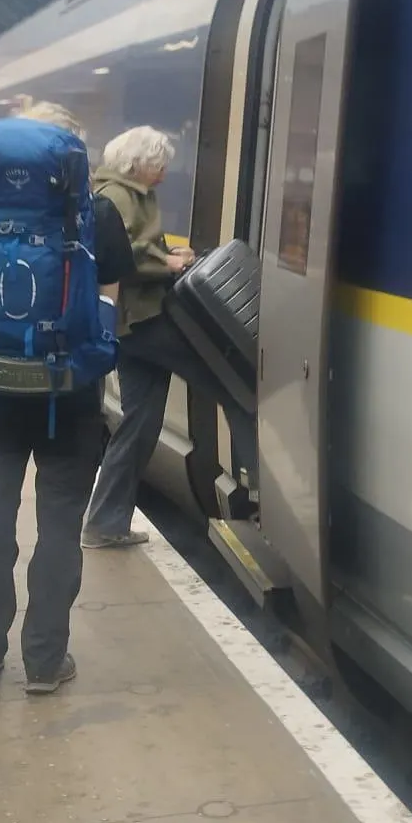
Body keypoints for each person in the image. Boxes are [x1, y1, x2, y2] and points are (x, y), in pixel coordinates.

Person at [0, 107, 135, 692]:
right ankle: (46, 662)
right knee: (57, 531)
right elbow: (108, 310)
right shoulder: (96, 214)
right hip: (67, 399)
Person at [82, 126, 252, 548]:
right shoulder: (119, 196)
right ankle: (265, 487)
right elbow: (122, 256)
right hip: (145, 322)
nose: (163, 172)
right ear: (135, 163)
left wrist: (167, 256)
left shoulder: (124, 191)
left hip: (130, 328)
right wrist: (169, 264)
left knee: (139, 424)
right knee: (235, 385)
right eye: (158, 164)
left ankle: (104, 522)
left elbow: (137, 249)